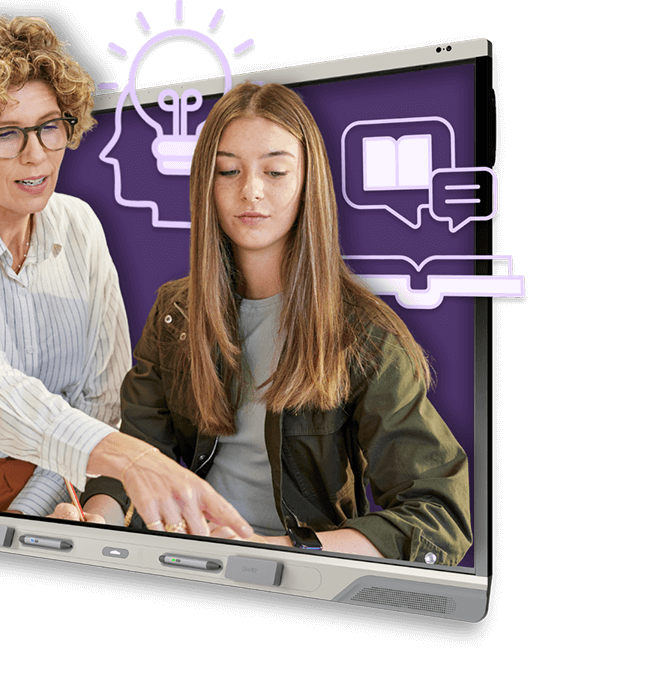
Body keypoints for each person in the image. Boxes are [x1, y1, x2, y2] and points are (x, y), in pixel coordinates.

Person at [69, 82, 472, 563]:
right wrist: (95, 520)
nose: (251, 190)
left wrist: (269, 551)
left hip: (298, 574)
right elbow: (134, 456)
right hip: (182, 561)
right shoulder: (175, 313)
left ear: (308, 183)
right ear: (206, 184)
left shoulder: (365, 334)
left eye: (275, 170)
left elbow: (437, 514)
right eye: (228, 170)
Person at [0, 13, 252, 539]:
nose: (37, 154)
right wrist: (130, 459)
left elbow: (102, 395)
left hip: (61, 479)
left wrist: (38, 506)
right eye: (7, 133)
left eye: (49, 126)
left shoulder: (79, 226)